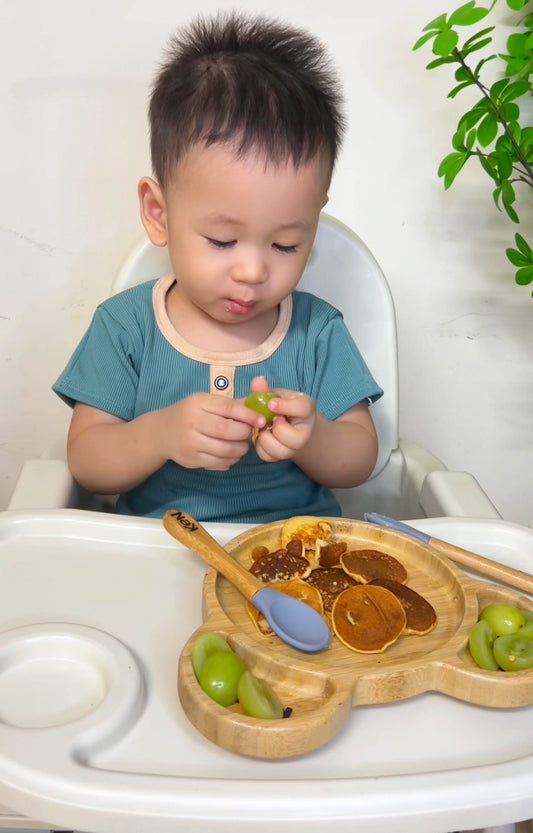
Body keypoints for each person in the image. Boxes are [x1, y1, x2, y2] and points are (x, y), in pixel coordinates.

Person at [53, 12, 383, 523]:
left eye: (286, 245)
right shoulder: (126, 327)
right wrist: (158, 434)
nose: (253, 271)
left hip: (296, 552)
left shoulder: (318, 332)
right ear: (159, 215)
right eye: (223, 240)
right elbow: (88, 464)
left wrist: (314, 437)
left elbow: (361, 459)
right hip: (158, 551)